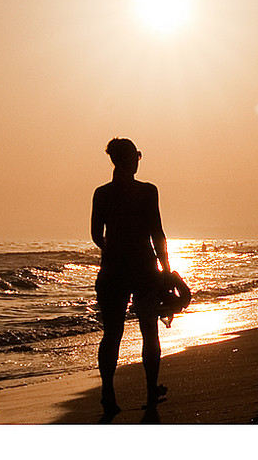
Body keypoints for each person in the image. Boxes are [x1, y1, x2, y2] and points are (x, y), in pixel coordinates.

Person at [91, 138, 170, 418]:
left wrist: (114, 249)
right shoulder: (148, 192)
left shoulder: (101, 194)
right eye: (137, 155)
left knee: (112, 333)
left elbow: (95, 235)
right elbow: (157, 233)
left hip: (112, 270)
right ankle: (150, 392)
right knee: (149, 330)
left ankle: (108, 393)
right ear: (133, 159)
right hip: (144, 269)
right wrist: (167, 270)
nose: (139, 159)